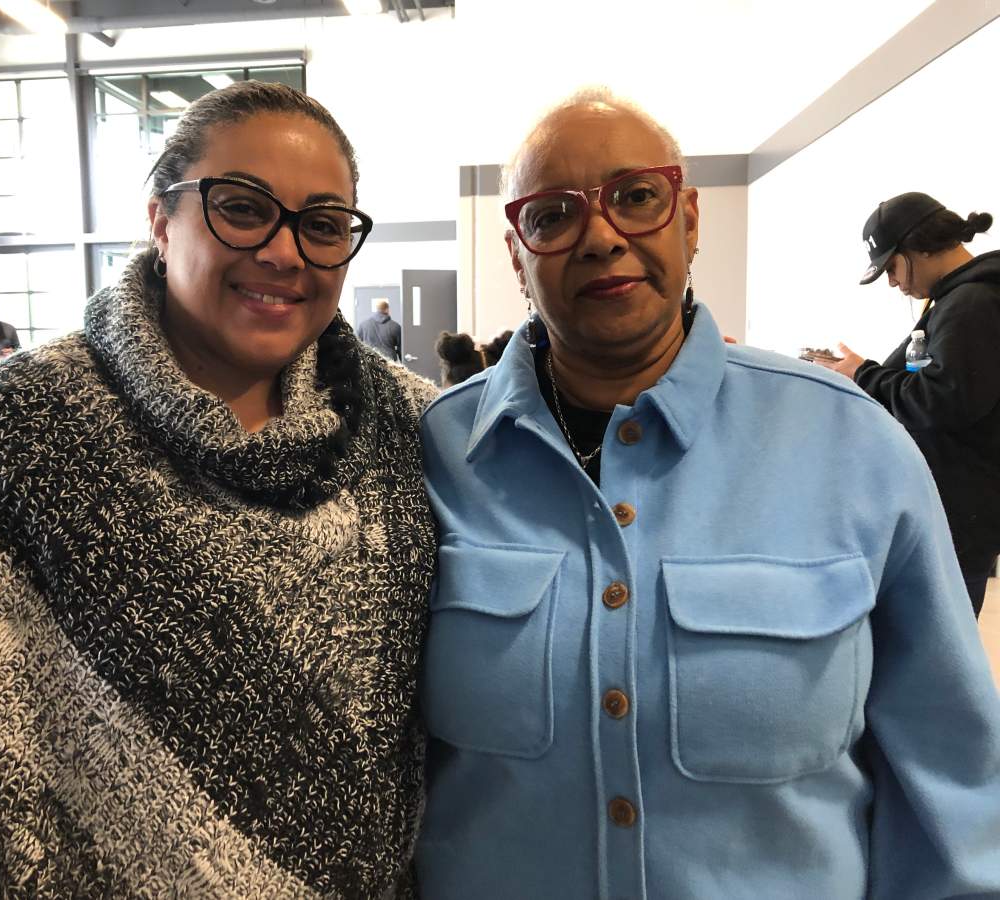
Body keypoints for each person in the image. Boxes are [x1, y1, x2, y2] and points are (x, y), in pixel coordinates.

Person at [0, 81, 437, 897]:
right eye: (243, 208)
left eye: (322, 225)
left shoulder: (417, 433)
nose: (285, 252)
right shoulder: (6, 442)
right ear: (160, 218)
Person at [416, 87, 1000, 898]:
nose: (600, 235)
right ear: (517, 255)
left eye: (635, 197)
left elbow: (954, 778)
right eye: (552, 216)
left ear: (689, 220)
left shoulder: (851, 445)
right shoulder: (435, 453)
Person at [815, 192, 1000, 618]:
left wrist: (863, 375)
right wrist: (858, 371)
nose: (894, 283)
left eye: (892, 268)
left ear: (919, 247)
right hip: (954, 513)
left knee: (938, 650)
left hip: (961, 517)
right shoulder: (953, 301)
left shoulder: (971, 303)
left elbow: (943, 399)